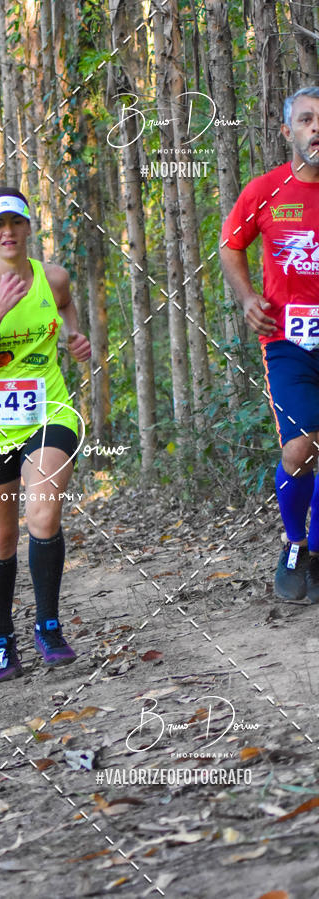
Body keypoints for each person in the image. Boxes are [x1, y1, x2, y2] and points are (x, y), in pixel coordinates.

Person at [0, 186, 91, 681]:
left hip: (50, 410)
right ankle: (1, 635)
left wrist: (72, 336)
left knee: (44, 513)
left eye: (16, 223)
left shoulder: (53, 277)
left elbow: (66, 307)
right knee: (2, 539)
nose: (7, 233)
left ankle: (48, 626)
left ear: (29, 227)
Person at [220, 85, 319, 602]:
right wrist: (247, 297)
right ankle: (295, 543)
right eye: (306, 120)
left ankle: (318, 548)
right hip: (288, 339)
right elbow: (230, 244)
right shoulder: (266, 190)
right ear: (289, 132)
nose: (316, 128)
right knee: (301, 449)